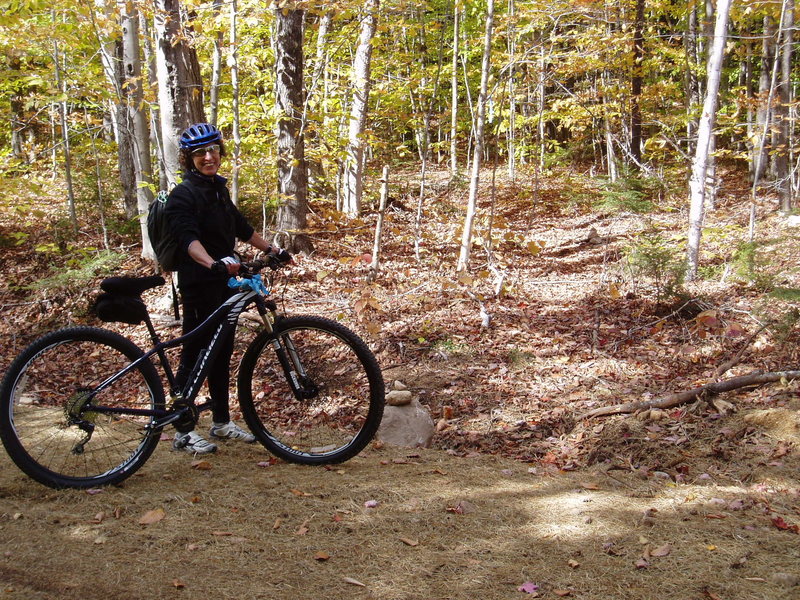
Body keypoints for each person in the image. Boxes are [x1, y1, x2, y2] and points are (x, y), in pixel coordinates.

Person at [165, 122, 278, 454]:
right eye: (199, 153)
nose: (208, 157)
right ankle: (182, 430)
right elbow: (188, 240)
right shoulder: (183, 194)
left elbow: (240, 227)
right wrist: (212, 262)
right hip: (200, 283)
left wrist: (272, 250)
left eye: (212, 150)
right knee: (196, 351)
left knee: (221, 352)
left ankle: (221, 422)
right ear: (189, 159)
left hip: (224, 282)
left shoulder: (217, 188)